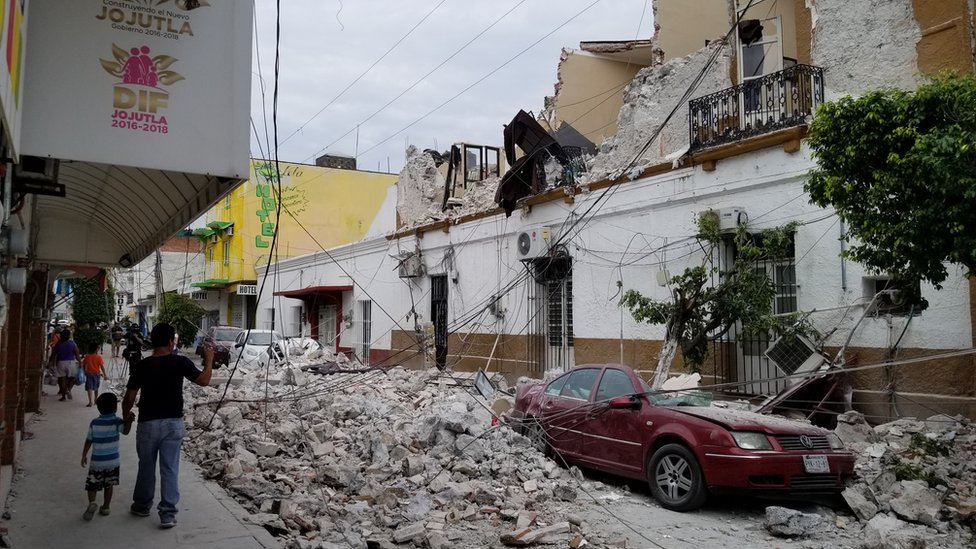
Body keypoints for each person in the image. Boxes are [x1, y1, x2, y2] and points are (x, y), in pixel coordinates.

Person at [122, 323, 212, 529]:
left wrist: (125, 416)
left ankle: (142, 505)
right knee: (170, 468)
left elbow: (129, 397)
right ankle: (168, 514)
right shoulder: (180, 362)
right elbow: (204, 381)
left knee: (145, 466)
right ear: (171, 341)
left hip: (147, 425)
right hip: (173, 424)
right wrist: (209, 361)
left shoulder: (142, 366)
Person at [80, 392, 133, 521]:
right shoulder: (116, 422)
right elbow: (125, 431)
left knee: (92, 484)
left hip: (97, 461)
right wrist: (129, 420)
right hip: (112, 462)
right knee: (109, 485)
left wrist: (84, 455)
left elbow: (89, 440)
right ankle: (106, 507)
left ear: (98, 408)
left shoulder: (95, 422)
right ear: (115, 408)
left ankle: (92, 502)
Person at [52, 329, 81, 401]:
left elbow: (53, 354)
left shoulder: (59, 344)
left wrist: (51, 363)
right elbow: (77, 354)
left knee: (62, 380)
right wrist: (80, 362)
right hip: (70, 362)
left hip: (60, 363)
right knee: (73, 378)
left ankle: (63, 396)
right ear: (68, 336)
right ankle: (68, 389)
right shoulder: (72, 343)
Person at [82, 343, 108, 407]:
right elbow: (102, 366)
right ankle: (96, 400)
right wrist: (104, 374)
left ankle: (90, 402)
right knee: (96, 387)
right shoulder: (98, 357)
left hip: (89, 373)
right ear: (96, 349)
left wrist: (84, 371)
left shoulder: (87, 356)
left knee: (89, 388)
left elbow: (84, 364)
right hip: (97, 374)